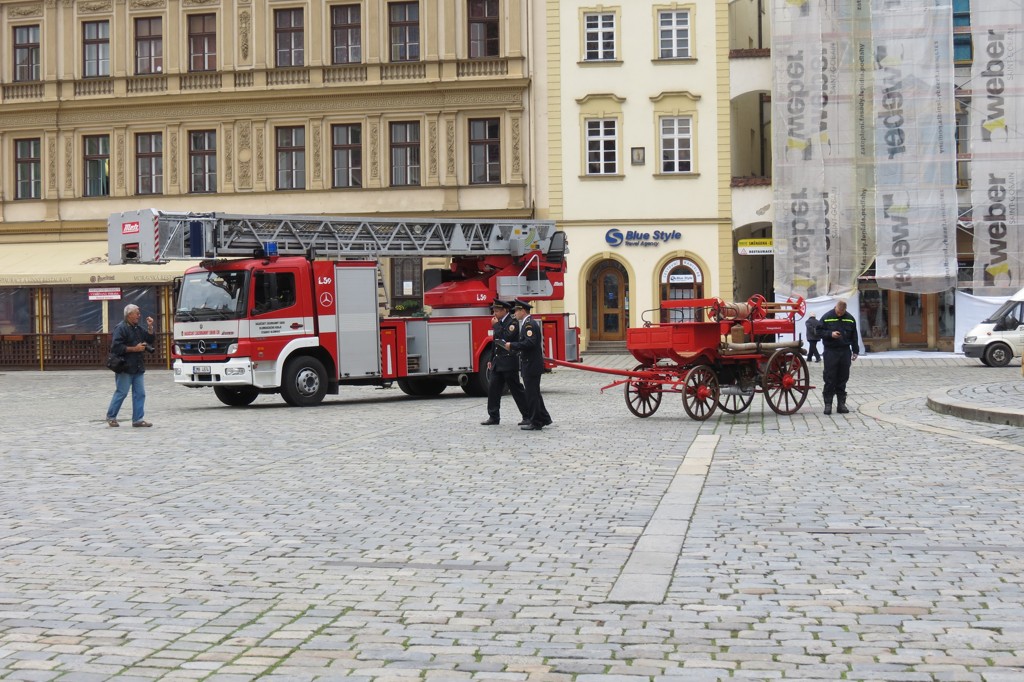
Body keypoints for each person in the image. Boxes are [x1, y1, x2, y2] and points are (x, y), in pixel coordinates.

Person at [106, 304, 156, 427]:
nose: (139, 316)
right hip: (125, 367)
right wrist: (135, 349)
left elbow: (149, 339)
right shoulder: (121, 328)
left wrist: (150, 327)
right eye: (137, 313)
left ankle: (138, 419)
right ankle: (111, 416)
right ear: (129, 315)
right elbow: (116, 347)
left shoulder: (137, 328)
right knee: (122, 392)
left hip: (138, 366)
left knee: (140, 393)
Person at [504, 299, 551, 431]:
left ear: (523, 311)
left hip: (531, 364)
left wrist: (512, 345)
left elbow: (530, 343)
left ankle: (536, 422)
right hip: (530, 364)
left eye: (516, 311)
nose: (515, 314)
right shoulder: (527, 323)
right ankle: (544, 418)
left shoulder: (529, 324)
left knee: (532, 394)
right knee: (534, 393)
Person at [481, 299, 529, 426]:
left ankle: (527, 415)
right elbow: (495, 342)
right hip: (498, 361)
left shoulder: (512, 322)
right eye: (494, 311)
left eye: (497, 311)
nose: (494, 313)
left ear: (504, 310)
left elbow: (506, 338)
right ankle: (493, 416)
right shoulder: (499, 322)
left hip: (508, 361)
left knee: (516, 390)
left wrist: (496, 326)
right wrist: (491, 359)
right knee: (493, 390)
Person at [818, 299, 859, 415]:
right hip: (831, 351)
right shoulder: (827, 317)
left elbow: (854, 336)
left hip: (845, 351)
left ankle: (841, 404)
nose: (839, 314)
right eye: (838, 311)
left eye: (841, 312)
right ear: (835, 307)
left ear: (845, 310)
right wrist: (830, 334)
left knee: (843, 378)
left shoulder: (850, 318)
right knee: (829, 378)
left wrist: (855, 351)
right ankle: (828, 404)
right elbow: (819, 331)